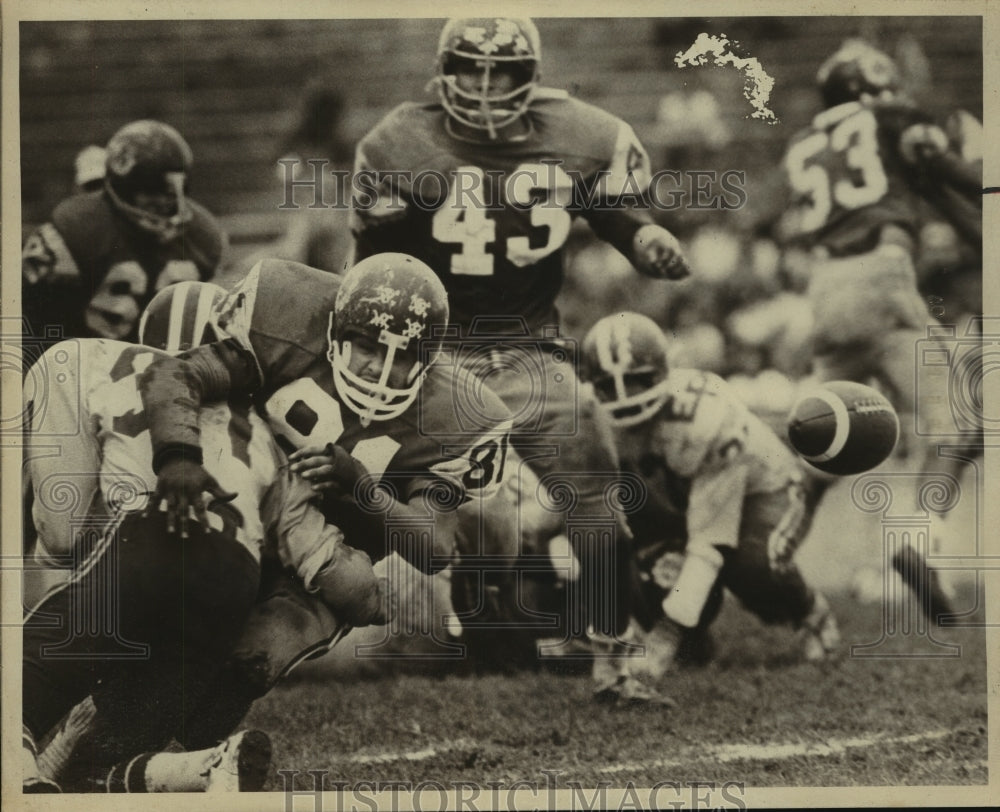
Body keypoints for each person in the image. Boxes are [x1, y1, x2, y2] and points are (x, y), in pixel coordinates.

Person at [350, 17, 692, 676]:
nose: (482, 87)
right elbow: (372, 268)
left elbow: (617, 212)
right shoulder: (399, 140)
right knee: (479, 516)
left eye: (499, 72)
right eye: (469, 70)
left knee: (596, 504)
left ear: (528, 77)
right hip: (442, 357)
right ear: (443, 71)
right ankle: (484, 628)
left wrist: (646, 239)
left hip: (533, 351)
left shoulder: (579, 134)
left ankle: (612, 649)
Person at [22, 282, 388, 793]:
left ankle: (18, 757)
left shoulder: (115, 366)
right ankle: (199, 766)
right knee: (138, 719)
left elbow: (62, 535)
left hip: (152, 545)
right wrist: (374, 600)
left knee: (55, 635)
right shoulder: (268, 437)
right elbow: (328, 562)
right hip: (230, 586)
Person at [133, 252, 514, 739]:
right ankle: (106, 744)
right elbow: (179, 376)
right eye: (368, 349)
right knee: (178, 632)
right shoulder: (285, 317)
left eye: (404, 359)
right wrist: (181, 457)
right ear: (335, 334)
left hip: (329, 558)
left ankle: (185, 762)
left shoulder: (452, 415)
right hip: (245, 504)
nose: (382, 370)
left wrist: (362, 489)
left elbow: (435, 549)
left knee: (253, 663)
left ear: (429, 362)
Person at [779, 40, 980, 621]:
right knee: (958, 424)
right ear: (869, 91)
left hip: (824, 290)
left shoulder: (804, 143)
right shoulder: (890, 119)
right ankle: (914, 539)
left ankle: (777, 549)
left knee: (825, 436)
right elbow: (947, 175)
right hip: (883, 276)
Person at [578, 312, 840, 701]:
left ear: (664, 373)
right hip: (671, 499)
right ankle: (695, 642)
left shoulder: (706, 418)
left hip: (759, 491)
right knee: (653, 566)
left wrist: (663, 638)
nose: (624, 399)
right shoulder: (586, 418)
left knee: (753, 565)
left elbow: (708, 544)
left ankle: (812, 614)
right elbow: (584, 514)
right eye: (610, 388)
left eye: (635, 382)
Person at [22, 119, 226, 344]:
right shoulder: (74, 228)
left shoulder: (204, 233)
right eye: (153, 193)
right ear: (125, 188)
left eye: (172, 192)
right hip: (87, 368)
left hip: (170, 370)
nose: (165, 203)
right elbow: (34, 324)